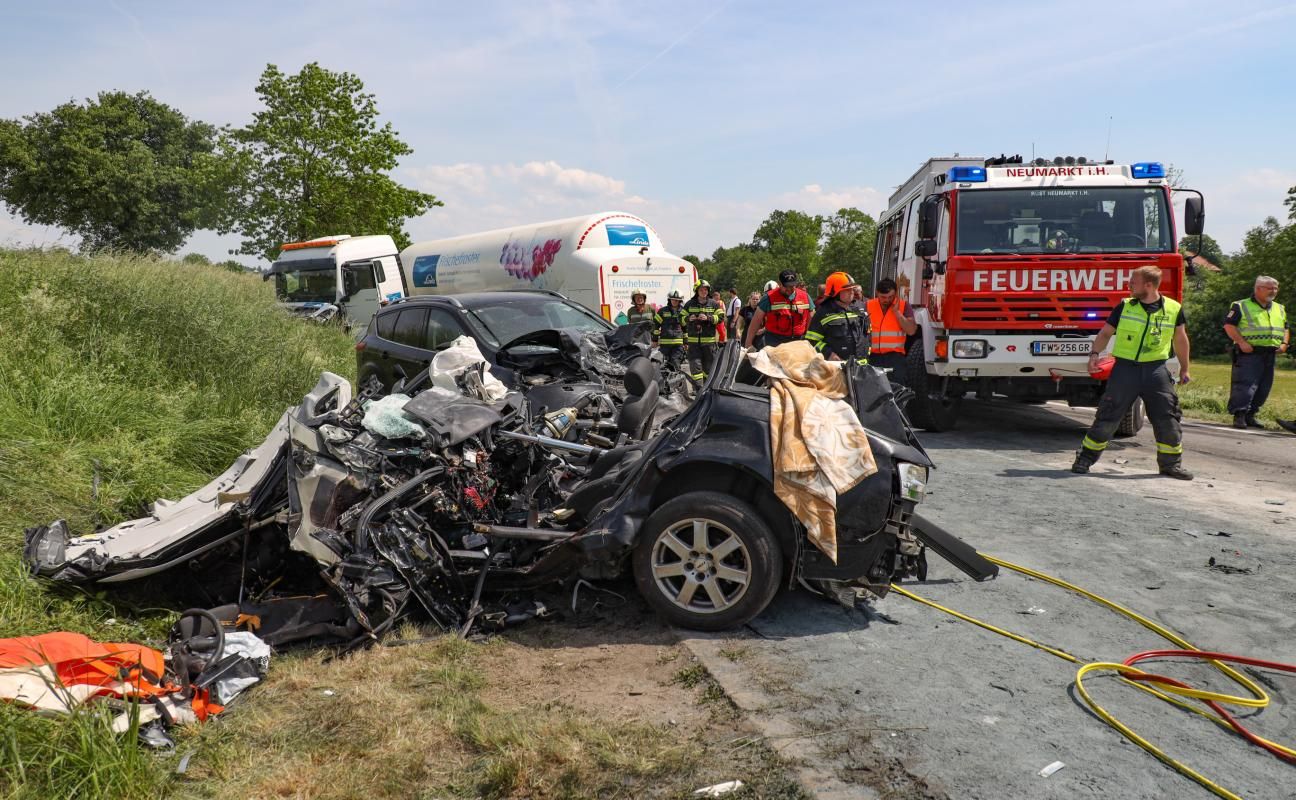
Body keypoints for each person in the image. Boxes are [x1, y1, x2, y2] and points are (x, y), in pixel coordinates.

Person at [1071, 265, 1193, 480]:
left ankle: (1170, 465)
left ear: (1148, 285)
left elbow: (1180, 339)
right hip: (1125, 370)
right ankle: (1085, 459)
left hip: (1156, 370)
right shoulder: (1125, 306)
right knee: (1108, 415)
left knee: (1168, 417)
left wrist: (1185, 367)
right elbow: (1106, 332)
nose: (1128, 285)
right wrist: (1094, 354)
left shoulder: (1173, 309)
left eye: (1133, 282)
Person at [1223, 275, 1289, 429]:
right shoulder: (1241, 305)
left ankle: (1251, 415)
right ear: (1258, 289)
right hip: (1249, 352)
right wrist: (1241, 342)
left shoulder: (1279, 308)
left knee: (1264, 387)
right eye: (1269, 288)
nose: (1273, 291)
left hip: (1270, 353)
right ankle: (1239, 415)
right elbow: (1229, 326)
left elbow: (1285, 328)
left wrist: (1284, 343)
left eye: (1275, 288)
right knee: (1245, 385)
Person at [806, 272, 870, 365]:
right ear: (835, 293)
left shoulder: (861, 307)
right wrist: (828, 354)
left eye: (852, 288)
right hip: (836, 368)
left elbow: (868, 333)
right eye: (848, 290)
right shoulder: (823, 312)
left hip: (862, 367)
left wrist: (868, 352)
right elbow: (812, 341)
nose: (852, 292)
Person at [865, 278, 917, 385]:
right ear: (877, 293)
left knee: (896, 391)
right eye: (883, 297)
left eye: (890, 297)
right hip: (872, 357)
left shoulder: (903, 306)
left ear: (896, 293)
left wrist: (897, 313)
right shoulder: (867, 305)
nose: (887, 300)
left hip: (895, 358)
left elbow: (911, 331)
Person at [744, 269, 812, 349]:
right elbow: (756, 321)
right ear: (779, 284)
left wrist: (809, 341)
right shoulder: (768, 298)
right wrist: (748, 344)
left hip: (798, 342)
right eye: (786, 286)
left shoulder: (805, 297)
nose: (789, 289)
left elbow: (811, 318)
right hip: (775, 343)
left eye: (792, 286)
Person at [684, 279, 724, 383]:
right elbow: (681, 317)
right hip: (693, 344)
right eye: (701, 290)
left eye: (705, 290)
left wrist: (709, 318)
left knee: (709, 369)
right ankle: (698, 390)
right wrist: (688, 318)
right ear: (696, 291)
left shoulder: (714, 304)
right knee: (695, 368)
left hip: (709, 343)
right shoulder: (689, 304)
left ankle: (707, 390)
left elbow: (721, 317)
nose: (704, 292)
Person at [654, 290, 688, 376]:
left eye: (677, 300)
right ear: (669, 300)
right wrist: (654, 339)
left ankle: (677, 386)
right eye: (673, 299)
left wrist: (686, 342)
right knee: (662, 366)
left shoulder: (683, 312)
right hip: (664, 345)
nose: (674, 301)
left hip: (678, 344)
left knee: (675, 363)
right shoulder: (662, 311)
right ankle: (664, 386)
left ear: (680, 301)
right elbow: (656, 326)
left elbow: (685, 329)